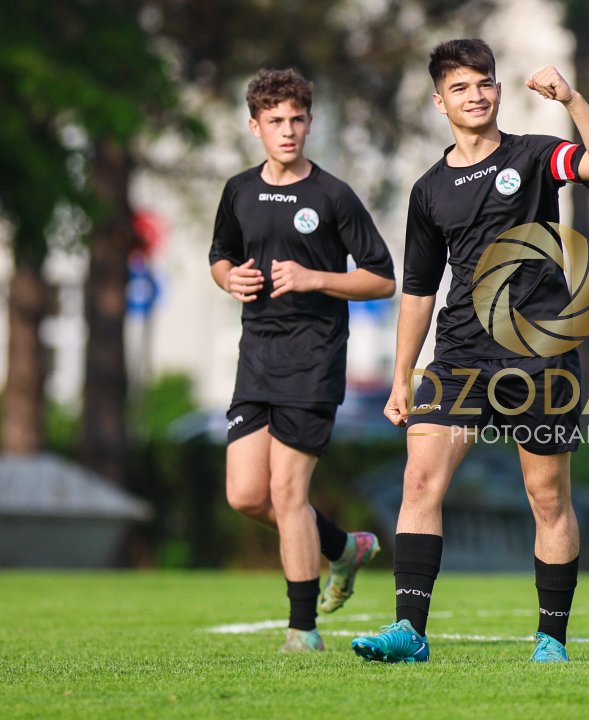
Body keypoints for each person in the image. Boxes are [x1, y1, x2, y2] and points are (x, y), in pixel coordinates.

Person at [350, 39, 589, 664]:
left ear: (498, 90)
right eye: (462, 87)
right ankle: (409, 632)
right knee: (418, 480)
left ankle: (551, 637)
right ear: (439, 100)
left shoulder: (533, 155)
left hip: (538, 350)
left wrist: (572, 99)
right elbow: (419, 290)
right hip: (460, 354)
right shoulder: (428, 189)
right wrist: (400, 376)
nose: (476, 95)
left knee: (547, 496)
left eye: (485, 83)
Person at [209, 68, 397, 651]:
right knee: (246, 495)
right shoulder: (239, 190)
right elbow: (220, 256)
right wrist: (229, 279)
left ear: (310, 123)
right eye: (274, 122)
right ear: (254, 126)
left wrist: (317, 277)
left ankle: (303, 631)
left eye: (296, 120)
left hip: (314, 361)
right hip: (256, 357)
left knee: (289, 495)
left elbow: (382, 278)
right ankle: (344, 548)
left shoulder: (333, 196)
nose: (287, 131)